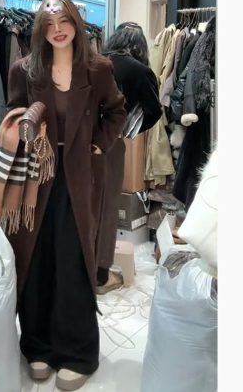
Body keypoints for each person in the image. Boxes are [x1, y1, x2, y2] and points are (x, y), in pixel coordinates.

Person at [0, 0, 126, 391]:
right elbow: (13, 114)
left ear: (76, 24)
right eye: (49, 24)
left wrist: (98, 143)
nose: (57, 30)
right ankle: (37, 345)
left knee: (73, 259)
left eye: (64, 21)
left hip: (79, 175)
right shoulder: (24, 70)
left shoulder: (98, 69)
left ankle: (77, 352)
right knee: (35, 258)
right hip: (36, 177)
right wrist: (27, 129)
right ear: (40, 30)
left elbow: (117, 110)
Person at [96, 22, 162, 293]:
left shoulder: (96, 62)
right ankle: (100, 276)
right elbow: (154, 110)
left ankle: (78, 266)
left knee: (83, 205)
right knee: (106, 208)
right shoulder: (140, 71)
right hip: (110, 144)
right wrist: (130, 128)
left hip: (79, 143)